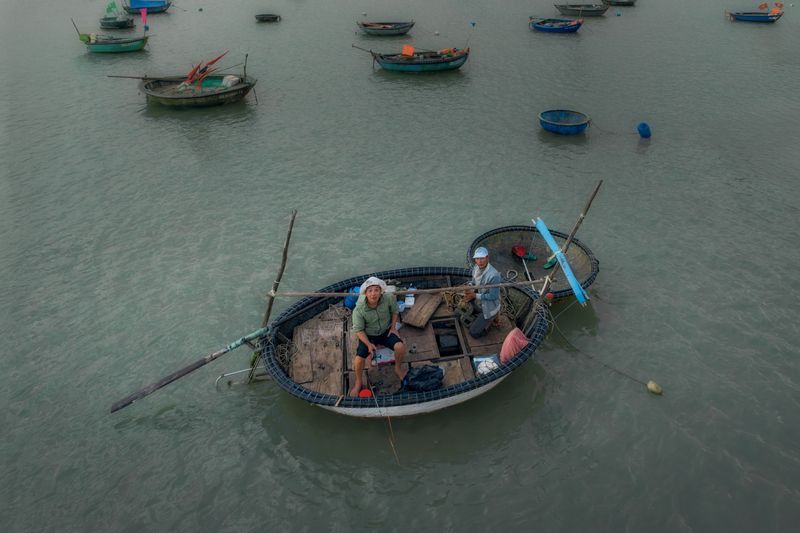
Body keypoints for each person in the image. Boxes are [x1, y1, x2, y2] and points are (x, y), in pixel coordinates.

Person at [349, 276, 407, 396]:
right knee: (359, 359)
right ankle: (358, 382)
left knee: (400, 347)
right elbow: (359, 330)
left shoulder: (389, 298)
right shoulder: (358, 309)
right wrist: (368, 344)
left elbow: (395, 310)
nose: (373, 294)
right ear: (365, 293)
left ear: (381, 291)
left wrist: (393, 328)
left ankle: (397, 368)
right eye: (370, 291)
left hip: (386, 331)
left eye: (376, 290)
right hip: (368, 335)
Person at [463, 247, 503, 338]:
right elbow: (473, 281)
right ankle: (480, 318)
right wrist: (468, 286)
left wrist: (474, 295)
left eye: (482, 258)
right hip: (479, 302)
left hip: (489, 307)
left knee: (474, 333)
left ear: (487, 258)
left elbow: (493, 296)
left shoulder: (494, 275)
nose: (479, 261)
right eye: (477, 258)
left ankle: (489, 323)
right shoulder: (476, 268)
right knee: (459, 312)